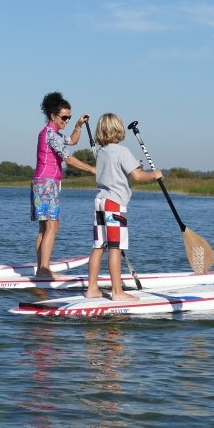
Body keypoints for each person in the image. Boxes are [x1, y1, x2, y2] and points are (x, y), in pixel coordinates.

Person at [85, 113, 162, 301]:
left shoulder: (102, 152)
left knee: (99, 246)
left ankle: (92, 289)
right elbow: (137, 177)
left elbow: (115, 171)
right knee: (115, 248)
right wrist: (154, 175)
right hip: (114, 204)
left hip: (100, 202)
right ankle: (117, 292)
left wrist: (134, 165)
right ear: (118, 129)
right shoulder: (122, 151)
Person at [32, 91, 97, 277]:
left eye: (69, 117)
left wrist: (78, 125)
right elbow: (68, 159)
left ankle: (41, 270)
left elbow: (73, 141)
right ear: (53, 115)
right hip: (47, 183)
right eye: (64, 117)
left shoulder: (56, 134)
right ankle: (44, 270)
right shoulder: (51, 135)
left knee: (45, 228)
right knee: (51, 227)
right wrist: (93, 170)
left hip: (43, 182)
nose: (66, 121)